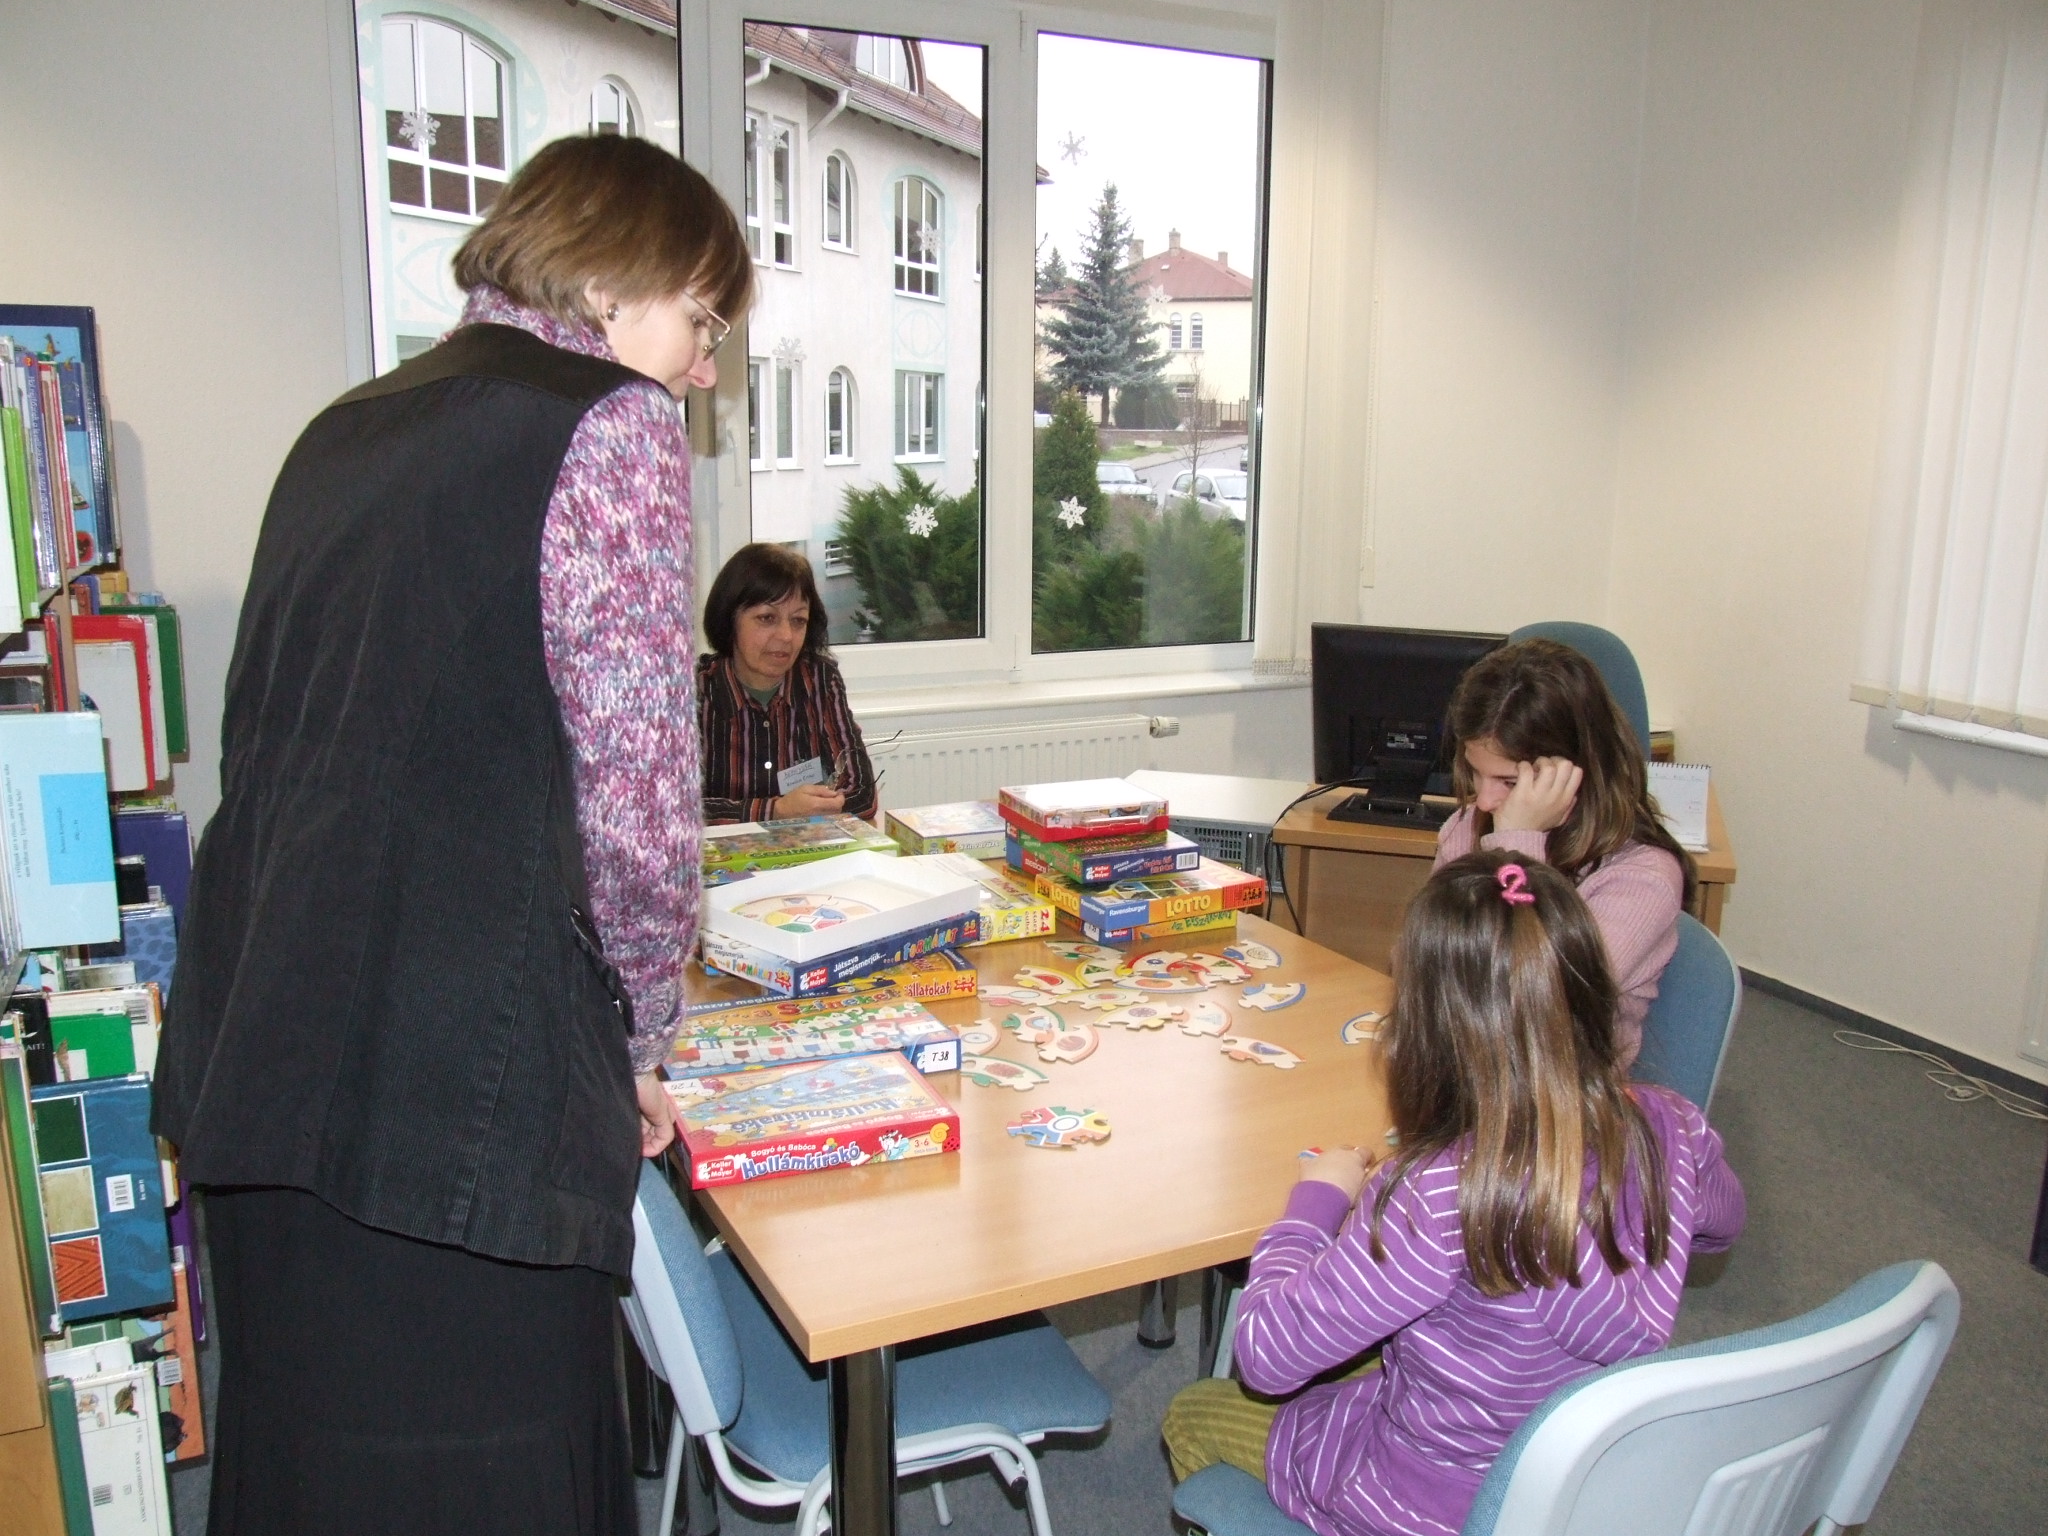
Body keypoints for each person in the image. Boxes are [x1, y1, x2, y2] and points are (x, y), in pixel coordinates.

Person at [151, 136, 752, 1536]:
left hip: (262, 1035)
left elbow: (263, 740)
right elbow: (638, 803)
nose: (704, 370)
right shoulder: (609, 424)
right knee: (486, 1473)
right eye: (701, 321)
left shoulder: (349, 422)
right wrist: (639, 1037)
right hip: (455, 1085)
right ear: (608, 284)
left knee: (314, 1458)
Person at [1162, 852, 1745, 1536]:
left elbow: (1265, 1356)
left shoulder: (1434, 1197)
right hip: (1575, 1487)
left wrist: (1315, 1206)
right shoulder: (1670, 1125)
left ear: (1425, 1027)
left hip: (1430, 1501)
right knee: (1374, 1342)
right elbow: (1721, 1225)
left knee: (1195, 1411)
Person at [1434, 636, 1694, 1071]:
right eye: (1476, 773)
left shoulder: (1643, 877)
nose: (1484, 800)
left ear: (1577, 772)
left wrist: (1516, 847)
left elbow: (1530, 1003)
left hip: (1563, 1088)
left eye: (1509, 782)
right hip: (1468, 1067)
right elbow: (1428, 963)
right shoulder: (1466, 830)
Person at [697, 541, 878, 823]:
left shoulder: (819, 679)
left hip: (807, 846)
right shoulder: (695, 691)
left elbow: (862, 795)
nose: (786, 636)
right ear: (729, 619)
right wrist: (777, 811)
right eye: (767, 618)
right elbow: (674, 808)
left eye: (798, 621)